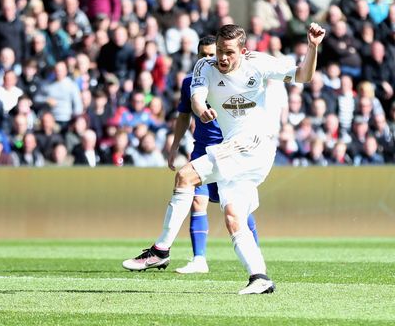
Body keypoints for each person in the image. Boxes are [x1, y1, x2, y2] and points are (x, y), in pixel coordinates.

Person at [122, 22, 326, 295]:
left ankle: (160, 250)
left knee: (185, 175)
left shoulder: (259, 64)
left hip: (255, 144)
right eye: (219, 50)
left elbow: (303, 75)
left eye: (229, 52)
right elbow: (196, 99)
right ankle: (260, 277)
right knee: (233, 217)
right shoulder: (204, 66)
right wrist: (202, 108)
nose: (223, 57)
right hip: (237, 150)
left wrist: (312, 47)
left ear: (243, 51)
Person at [166, 35, 259, 274]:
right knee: (198, 200)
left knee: (238, 208)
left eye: (212, 54)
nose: (209, 59)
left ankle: (255, 256)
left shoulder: (235, 79)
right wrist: (175, 144)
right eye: (204, 55)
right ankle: (199, 259)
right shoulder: (191, 83)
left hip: (230, 150)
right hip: (202, 149)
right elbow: (184, 115)